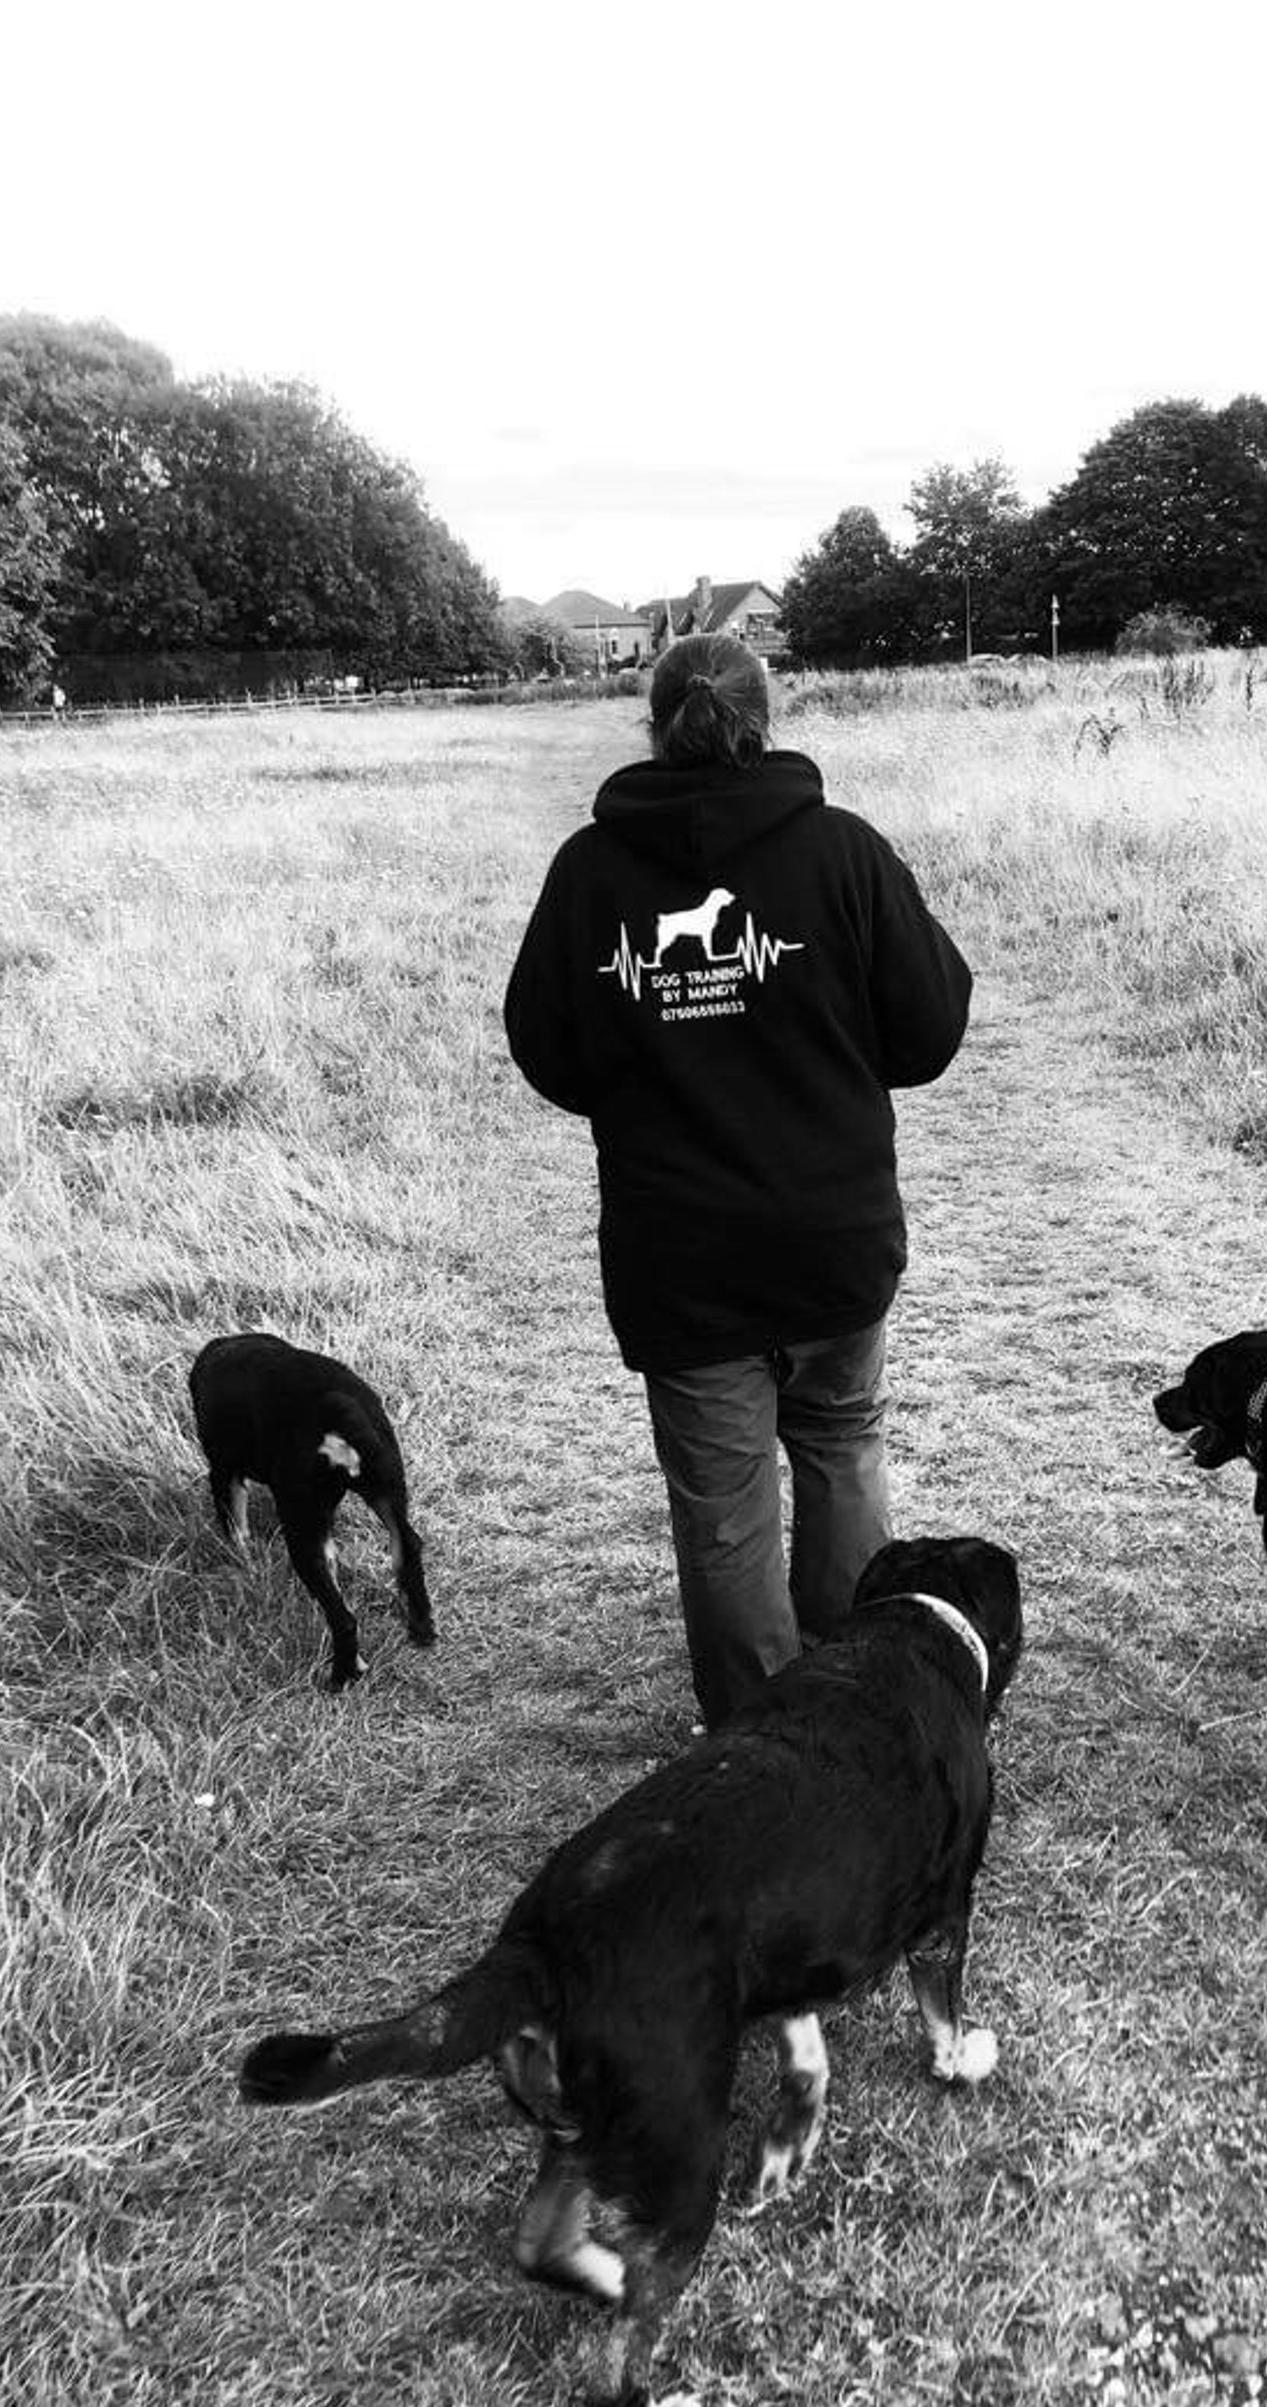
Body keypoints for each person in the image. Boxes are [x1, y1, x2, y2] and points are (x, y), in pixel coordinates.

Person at [503, 632, 972, 1725]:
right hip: (833, 1238)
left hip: (683, 1258)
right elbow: (932, 1026)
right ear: (772, 713)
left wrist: (644, 1085)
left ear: (650, 722)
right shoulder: (844, 855)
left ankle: (762, 1742)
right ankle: (858, 1702)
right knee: (844, 1448)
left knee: (724, 1509)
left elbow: (545, 1047)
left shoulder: (591, 875)